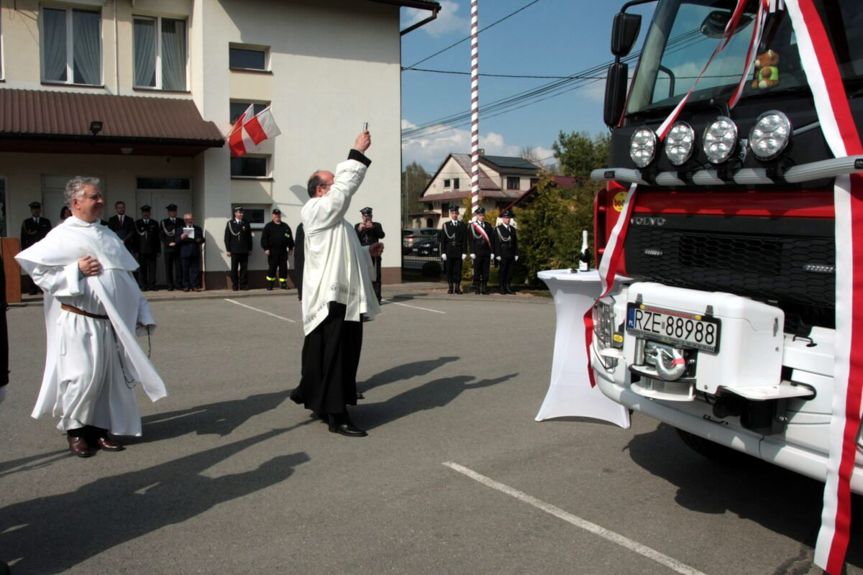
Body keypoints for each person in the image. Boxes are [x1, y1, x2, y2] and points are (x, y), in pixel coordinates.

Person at [14, 176, 167, 458]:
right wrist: (76, 270)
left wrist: (143, 311)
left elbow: (127, 279)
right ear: (76, 202)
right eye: (94, 197)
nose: (100, 201)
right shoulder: (62, 236)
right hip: (78, 320)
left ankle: (98, 432)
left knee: (107, 380)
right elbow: (41, 276)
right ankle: (75, 431)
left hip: (108, 324)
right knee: (81, 377)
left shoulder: (108, 235)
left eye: (99, 196)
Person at [291, 129, 382, 437]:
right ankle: (336, 416)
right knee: (336, 355)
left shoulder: (337, 221)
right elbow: (342, 193)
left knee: (336, 355)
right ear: (319, 190)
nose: (336, 189)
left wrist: (368, 250)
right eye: (330, 183)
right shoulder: (315, 211)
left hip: (343, 297)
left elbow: (347, 253)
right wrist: (356, 153)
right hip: (331, 298)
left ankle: (319, 399)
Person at [20, 201, 52, 294]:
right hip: (31, 250)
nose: (36, 211)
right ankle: (32, 289)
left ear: (40, 210)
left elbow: (50, 236)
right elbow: (23, 237)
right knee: (32, 270)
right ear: (31, 211)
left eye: (37, 209)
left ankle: (42, 288)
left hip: (43, 250)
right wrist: (24, 251)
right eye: (34, 209)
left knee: (43, 269)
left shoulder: (46, 222)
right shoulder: (26, 222)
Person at [355, 207, 385, 303]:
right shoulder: (357, 226)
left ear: (371, 216)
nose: (366, 218)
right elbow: (354, 239)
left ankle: (377, 298)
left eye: (368, 216)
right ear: (362, 216)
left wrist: (373, 228)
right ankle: (364, 298)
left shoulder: (377, 225)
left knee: (376, 276)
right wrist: (359, 230)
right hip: (362, 254)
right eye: (365, 216)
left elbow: (382, 235)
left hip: (375, 254)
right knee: (362, 276)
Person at [260, 208, 295, 290]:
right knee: (272, 268)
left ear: (280, 216)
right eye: (275, 215)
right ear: (272, 216)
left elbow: (290, 238)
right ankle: (270, 284)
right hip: (272, 251)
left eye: (278, 215)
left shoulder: (285, 227)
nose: (277, 216)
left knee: (283, 268)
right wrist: (266, 248)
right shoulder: (268, 226)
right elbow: (264, 239)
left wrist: (290, 248)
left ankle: (283, 284)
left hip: (283, 251)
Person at [439, 205, 467, 294]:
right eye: (453, 213)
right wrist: (443, 252)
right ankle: (450, 287)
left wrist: (464, 252)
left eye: (456, 213)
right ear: (451, 214)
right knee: (449, 270)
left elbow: (464, 240)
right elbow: (443, 240)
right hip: (449, 250)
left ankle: (457, 287)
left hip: (458, 250)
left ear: (458, 214)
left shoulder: (462, 225)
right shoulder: (446, 225)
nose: (454, 215)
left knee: (458, 270)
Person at [224, 207, 252, 291]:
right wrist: (228, 249)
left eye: (242, 213)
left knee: (244, 269)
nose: (241, 214)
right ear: (235, 213)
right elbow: (227, 237)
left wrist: (250, 249)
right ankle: (235, 285)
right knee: (234, 268)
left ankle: (243, 285)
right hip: (234, 250)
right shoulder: (230, 223)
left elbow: (249, 237)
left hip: (244, 250)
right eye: (239, 213)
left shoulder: (246, 223)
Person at [468, 206, 495, 295]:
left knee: (485, 271)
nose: (482, 217)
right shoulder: (473, 226)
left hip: (486, 252)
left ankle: (484, 287)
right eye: (480, 215)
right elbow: (471, 240)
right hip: (477, 252)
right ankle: (477, 288)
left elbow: (492, 239)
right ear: (476, 216)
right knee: (477, 271)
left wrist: (492, 252)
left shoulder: (488, 225)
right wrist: (472, 251)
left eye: (483, 215)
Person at [135, 205, 160, 291]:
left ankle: (152, 285)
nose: (146, 214)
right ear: (142, 213)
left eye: (147, 212)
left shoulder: (154, 223)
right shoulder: (137, 223)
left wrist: (158, 250)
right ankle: (143, 285)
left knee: (152, 269)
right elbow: (136, 238)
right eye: (144, 212)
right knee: (142, 269)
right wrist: (136, 250)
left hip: (152, 250)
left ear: (150, 213)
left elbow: (157, 238)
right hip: (141, 250)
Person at [495, 209, 519, 294]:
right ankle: (502, 287)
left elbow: (515, 242)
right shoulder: (498, 229)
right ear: (502, 219)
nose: (507, 219)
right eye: (505, 218)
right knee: (503, 271)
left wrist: (516, 253)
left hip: (511, 253)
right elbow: (496, 243)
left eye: (509, 218)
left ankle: (508, 286)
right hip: (503, 253)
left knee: (510, 271)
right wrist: (497, 254)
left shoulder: (512, 229)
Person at [178, 212, 205, 291]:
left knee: (195, 270)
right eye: (187, 219)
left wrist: (199, 240)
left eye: (190, 219)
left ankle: (195, 286)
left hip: (195, 252)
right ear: (184, 220)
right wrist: (181, 237)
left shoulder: (198, 228)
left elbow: (203, 239)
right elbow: (176, 241)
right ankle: (186, 286)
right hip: (184, 252)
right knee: (185, 270)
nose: (189, 221)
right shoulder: (180, 229)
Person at [160, 203, 183, 291]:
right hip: (168, 248)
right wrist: (167, 243)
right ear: (168, 212)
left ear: (176, 212)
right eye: (171, 211)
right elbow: (161, 235)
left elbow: (182, 234)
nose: (172, 213)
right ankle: (170, 285)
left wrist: (177, 242)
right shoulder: (164, 222)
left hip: (178, 247)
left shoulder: (180, 221)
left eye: (174, 211)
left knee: (178, 267)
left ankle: (178, 284)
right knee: (168, 267)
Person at [294, 223, 305, 301]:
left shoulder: (301, 226)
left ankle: (301, 295)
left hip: (301, 254)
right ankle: (301, 295)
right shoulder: (303, 226)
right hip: (302, 255)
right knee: (301, 275)